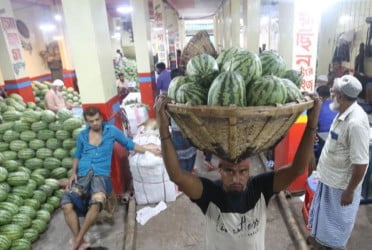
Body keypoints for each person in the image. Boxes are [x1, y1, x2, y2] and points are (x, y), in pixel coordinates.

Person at [155, 93, 321, 249]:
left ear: (249, 171)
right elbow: (176, 175)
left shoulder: (260, 188)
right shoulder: (209, 193)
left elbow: (298, 169)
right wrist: (163, 128)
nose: (236, 178)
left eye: (243, 171)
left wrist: (311, 124)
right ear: (219, 170)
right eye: (229, 171)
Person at [61, 106, 161, 250]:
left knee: (97, 202)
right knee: (66, 204)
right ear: (86, 122)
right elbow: (77, 155)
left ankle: (77, 240)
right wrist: (73, 173)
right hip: (82, 176)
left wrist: (149, 149)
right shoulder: (82, 135)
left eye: (97, 119)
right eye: (90, 121)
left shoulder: (111, 131)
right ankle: (80, 240)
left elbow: (129, 144)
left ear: (101, 118)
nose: (95, 123)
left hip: (100, 177)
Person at [307, 75, 370, 250]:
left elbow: (361, 163)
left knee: (335, 230)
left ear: (341, 97)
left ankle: (329, 246)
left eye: (333, 94)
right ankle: (319, 241)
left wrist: (349, 191)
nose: (331, 96)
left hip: (340, 187)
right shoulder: (342, 111)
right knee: (323, 220)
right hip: (329, 180)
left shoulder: (355, 123)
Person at [169, 68, 197, 172]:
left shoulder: (171, 91)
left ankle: (186, 174)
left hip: (178, 131)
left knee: (182, 155)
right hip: (188, 130)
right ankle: (188, 172)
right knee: (190, 152)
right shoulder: (189, 90)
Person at [309, 85, 338, 174]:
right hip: (336, 138)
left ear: (320, 97)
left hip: (323, 142)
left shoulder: (318, 107)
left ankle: (315, 171)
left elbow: (314, 126)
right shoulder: (337, 106)